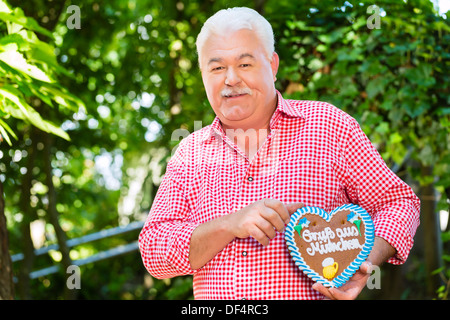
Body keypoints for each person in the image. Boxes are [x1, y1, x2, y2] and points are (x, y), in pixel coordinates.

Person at [139, 7, 420, 300]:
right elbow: (154, 250)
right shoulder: (189, 152)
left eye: (245, 64)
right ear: (203, 75)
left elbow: (398, 202)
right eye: (217, 67)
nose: (231, 79)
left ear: (272, 65)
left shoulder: (330, 127)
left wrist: (365, 260)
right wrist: (229, 225)